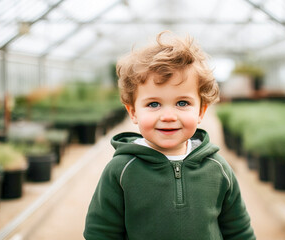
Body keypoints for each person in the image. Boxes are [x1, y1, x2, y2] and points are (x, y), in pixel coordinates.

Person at [84, 31, 256, 240]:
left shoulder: (217, 168)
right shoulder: (121, 170)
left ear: (201, 111)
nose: (168, 116)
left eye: (182, 103)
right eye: (153, 104)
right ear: (133, 112)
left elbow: (239, 231)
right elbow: (100, 233)